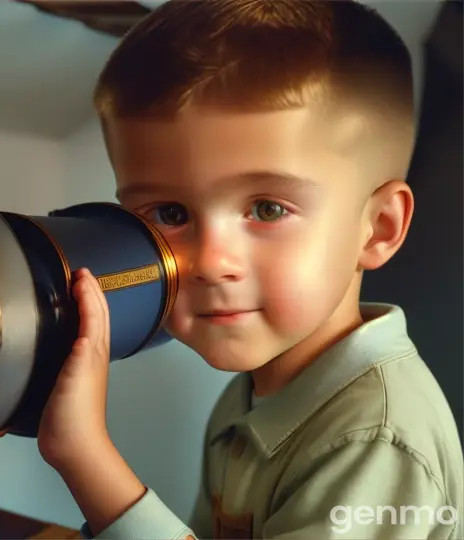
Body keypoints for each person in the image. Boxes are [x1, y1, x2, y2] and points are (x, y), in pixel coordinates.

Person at [36, 1, 464, 538]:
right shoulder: (256, 394)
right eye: (170, 214)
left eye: (267, 209)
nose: (210, 262)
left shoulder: (373, 440)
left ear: (377, 228)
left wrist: (84, 456)